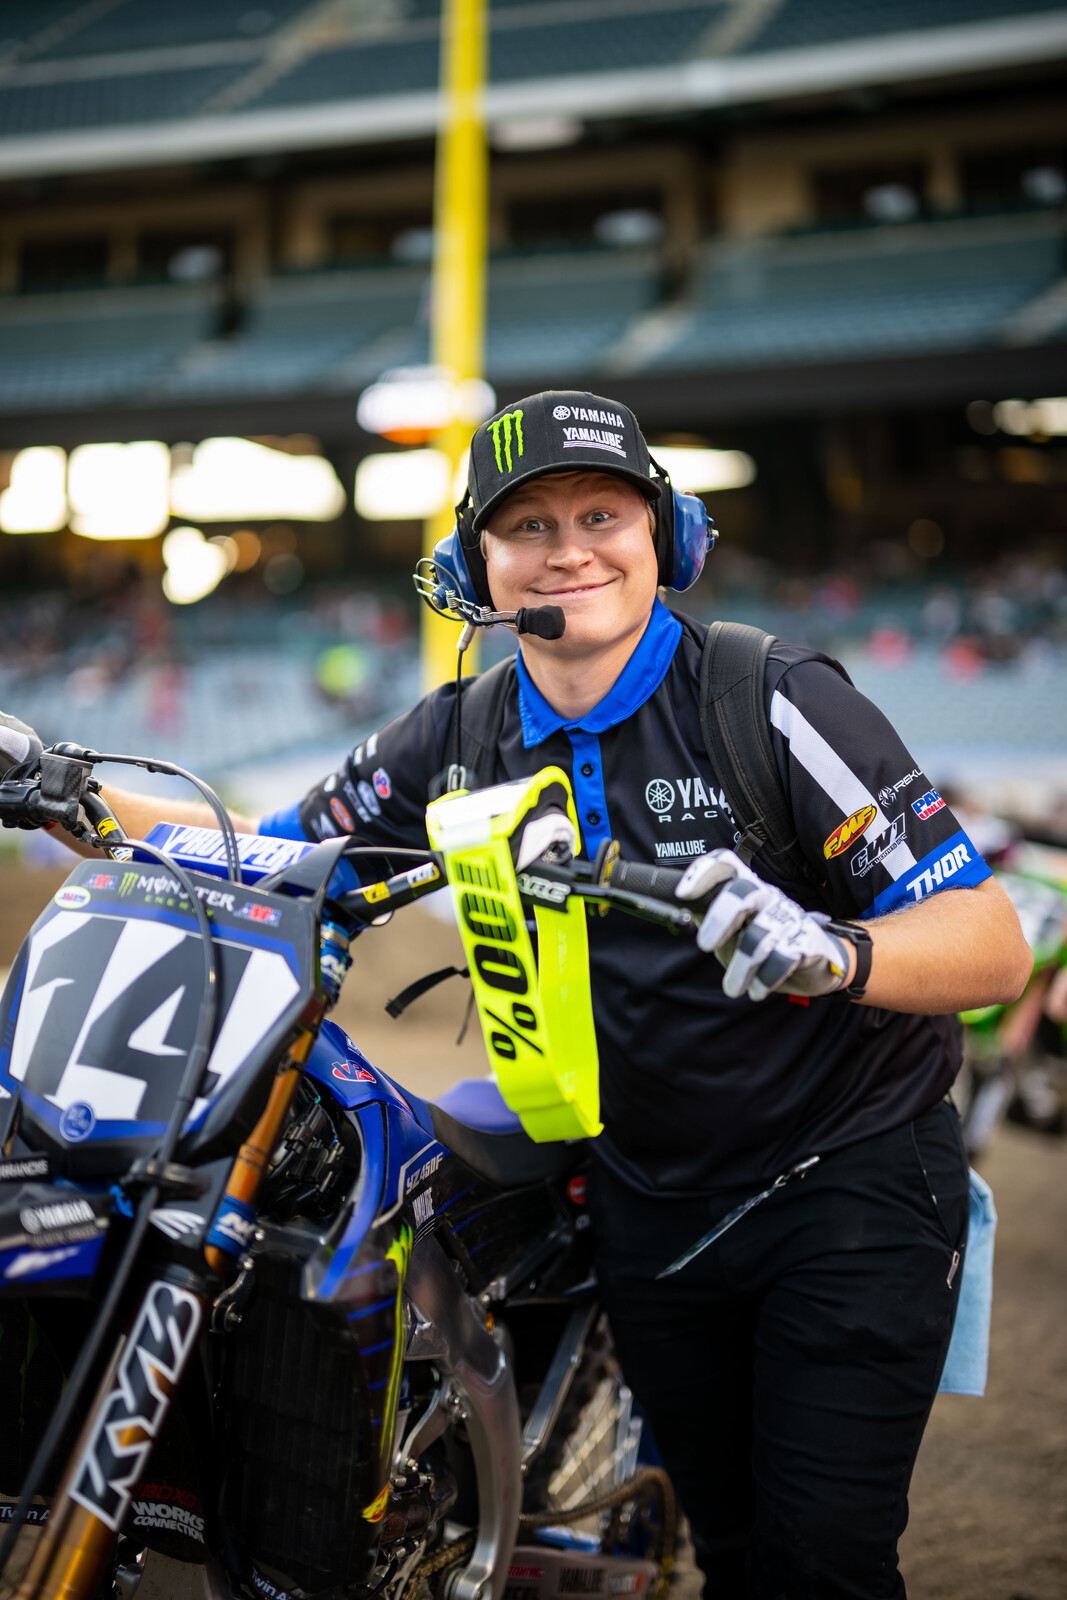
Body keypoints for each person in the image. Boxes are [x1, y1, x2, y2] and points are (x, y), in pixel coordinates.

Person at [0, 391, 1031, 1599]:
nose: (570, 548)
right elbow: (259, 847)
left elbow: (991, 939)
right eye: (527, 525)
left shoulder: (769, 697)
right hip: (645, 1197)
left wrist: (833, 950)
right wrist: (67, 791)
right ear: (470, 566)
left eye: (602, 513)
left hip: (842, 1180)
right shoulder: (457, 728)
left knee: (820, 1565)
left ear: (669, 538)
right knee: (740, 1552)